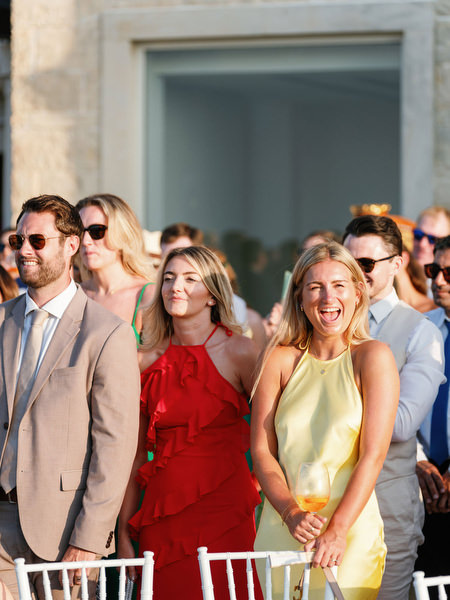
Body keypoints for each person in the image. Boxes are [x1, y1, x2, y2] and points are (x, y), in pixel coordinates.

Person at [0, 195, 140, 599]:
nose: (24, 250)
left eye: (37, 241)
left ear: (71, 245)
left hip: (64, 534)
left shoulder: (107, 333)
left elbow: (114, 447)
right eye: (18, 240)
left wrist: (91, 538)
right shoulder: (1, 322)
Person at [252, 241, 399, 599]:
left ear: (358, 292)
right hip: (282, 528)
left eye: (338, 285)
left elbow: (373, 455)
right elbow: (261, 452)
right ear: (299, 296)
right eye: (315, 287)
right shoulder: (278, 360)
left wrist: (338, 529)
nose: (326, 297)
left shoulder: (373, 357)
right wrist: (289, 514)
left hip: (349, 534)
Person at [118, 246, 262, 600]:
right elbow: (133, 456)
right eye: (168, 278)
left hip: (227, 508)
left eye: (189, 278)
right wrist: (123, 533)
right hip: (161, 511)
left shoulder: (242, 352)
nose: (174, 287)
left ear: (213, 294)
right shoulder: (142, 360)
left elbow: (271, 435)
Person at [343, 215, 444, 600]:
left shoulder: (421, 332)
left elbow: (401, 425)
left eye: (366, 264)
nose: (356, 273)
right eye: (348, 262)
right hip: (324, 504)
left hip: (387, 508)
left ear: (397, 264)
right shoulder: (326, 322)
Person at [415, 235, 450, 594]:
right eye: (434, 270)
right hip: (422, 487)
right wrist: (418, 461)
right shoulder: (417, 328)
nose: (438, 280)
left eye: (449, 273)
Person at [75, 194, 155, 344]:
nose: (85, 241)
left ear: (122, 233)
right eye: (79, 232)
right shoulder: (73, 294)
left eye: (96, 231)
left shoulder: (147, 295)